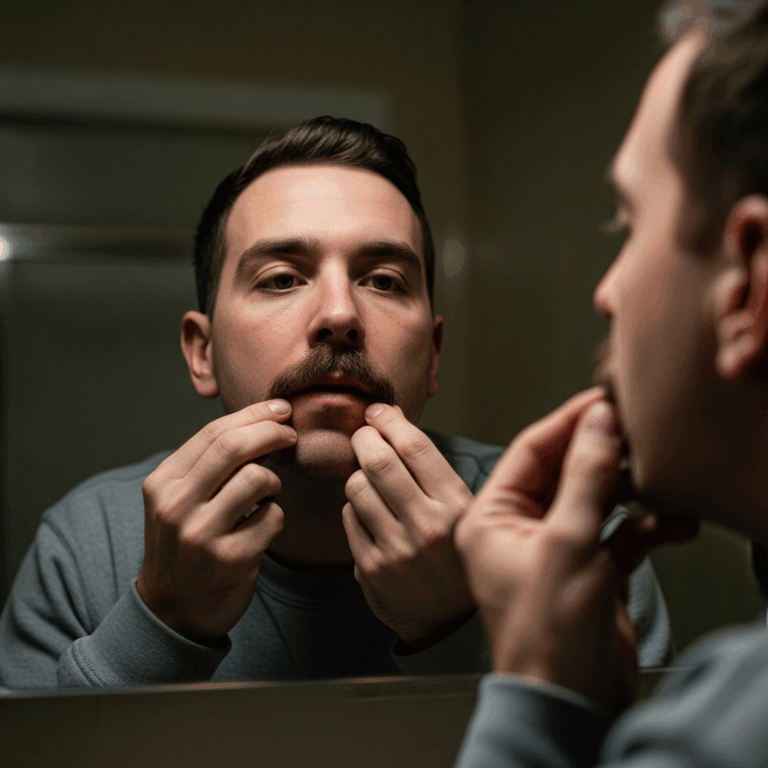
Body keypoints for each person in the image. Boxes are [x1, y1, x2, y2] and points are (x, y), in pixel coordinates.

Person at [0, 118, 669, 689]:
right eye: (282, 278)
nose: (340, 314)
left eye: (382, 279)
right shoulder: (86, 548)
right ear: (202, 353)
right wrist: (160, 624)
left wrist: (461, 633)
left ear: (433, 356)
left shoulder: (577, 540)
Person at [454, 1, 768, 766]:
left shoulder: (713, 743)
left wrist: (535, 700)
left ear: (749, 290)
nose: (606, 292)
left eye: (627, 224)